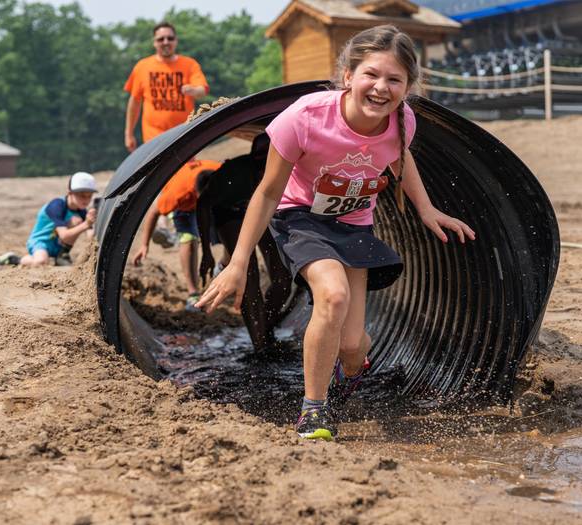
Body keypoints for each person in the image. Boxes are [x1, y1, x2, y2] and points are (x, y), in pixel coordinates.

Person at [196, 25, 476, 441]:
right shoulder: (304, 119)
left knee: (352, 345)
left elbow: (400, 159)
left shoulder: (402, 120)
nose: (381, 88)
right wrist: (237, 263)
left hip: (353, 224)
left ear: (408, 87)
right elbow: (268, 191)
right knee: (333, 294)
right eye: (371, 75)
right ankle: (313, 410)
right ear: (348, 75)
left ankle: (351, 370)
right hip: (301, 217)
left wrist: (427, 208)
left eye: (394, 80)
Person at [196, 134, 292, 352]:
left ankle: (266, 325)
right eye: (260, 163)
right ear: (252, 160)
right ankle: (259, 343)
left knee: (282, 277)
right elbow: (203, 204)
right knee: (248, 278)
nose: (264, 168)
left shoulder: (285, 168)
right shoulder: (233, 173)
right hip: (230, 214)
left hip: (263, 212)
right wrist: (206, 252)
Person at [132, 158, 222, 311]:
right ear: (196, 193)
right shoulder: (177, 194)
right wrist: (144, 245)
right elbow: (153, 213)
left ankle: (222, 266)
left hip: (215, 198)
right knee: (189, 240)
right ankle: (193, 292)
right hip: (185, 208)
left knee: (229, 227)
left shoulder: (220, 171)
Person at [123, 22, 209, 152]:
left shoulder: (189, 65)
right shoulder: (142, 66)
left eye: (170, 38)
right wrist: (128, 134)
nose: (165, 42)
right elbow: (134, 102)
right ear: (154, 42)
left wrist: (193, 90)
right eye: (160, 39)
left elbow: (203, 90)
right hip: (154, 138)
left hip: (184, 136)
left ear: (176, 41)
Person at [0, 172, 98, 268]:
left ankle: (62, 255)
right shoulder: (57, 205)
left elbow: (90, 235)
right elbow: (64, 235)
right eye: (82, 195)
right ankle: (14, 259)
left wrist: (92, 224)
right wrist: (86, 224)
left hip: (57, 244)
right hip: (40, 241)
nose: (86, 200)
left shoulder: (81, 210)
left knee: (78, 221)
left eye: (89, 196)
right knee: (40, 262)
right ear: (70, 192)